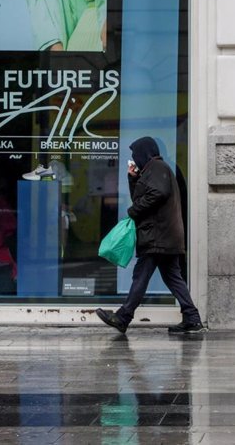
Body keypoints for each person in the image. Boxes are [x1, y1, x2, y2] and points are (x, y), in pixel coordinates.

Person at [95, 136, 205, 334]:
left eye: (135, 154)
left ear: (145, 153)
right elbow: (142, 196)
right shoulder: (152, 171)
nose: (134, 159)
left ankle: (123, 317)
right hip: (165, 235)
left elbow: (156, 194)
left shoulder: (157, 167)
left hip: (158, 236)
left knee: (141, 276)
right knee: (173, 277)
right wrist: (133, 178)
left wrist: (133, 211)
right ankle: (192, 317)